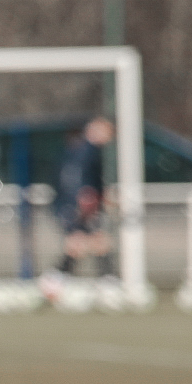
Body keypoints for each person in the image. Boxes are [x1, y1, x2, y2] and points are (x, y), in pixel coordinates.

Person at [54, 116, 114, 277]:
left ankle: (59, 279)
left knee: (95, 241)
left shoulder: (80, 149)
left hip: (77, 202)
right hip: (79, 204)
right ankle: (56, 279)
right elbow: (76, 178)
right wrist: (84, 197)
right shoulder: (86, 150)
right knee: (80, 242)